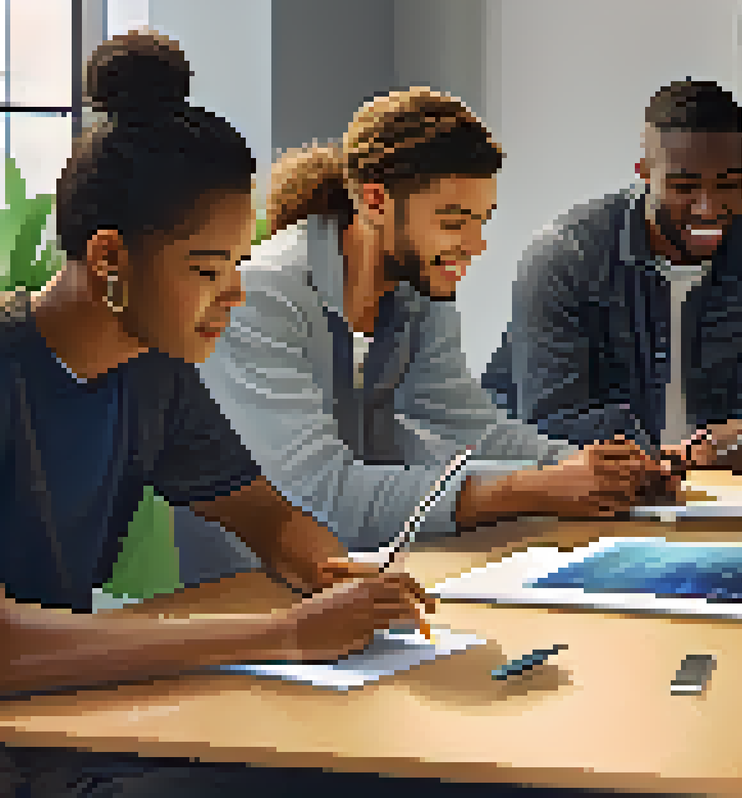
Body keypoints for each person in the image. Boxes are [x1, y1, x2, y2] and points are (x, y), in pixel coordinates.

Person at [0, 30, 431, 796]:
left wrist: (337, 580)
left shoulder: (152, 374)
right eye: (207, 269)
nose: (234, 293)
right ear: (109, 260)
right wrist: (285, 633)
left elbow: (266, 516)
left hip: (67, 719)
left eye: (238, 262)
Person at [178, 87, 671, 587]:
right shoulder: (260, 296)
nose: (475, 246)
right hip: (237, 590)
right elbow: (320, 495)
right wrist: (529, 490)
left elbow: (472, 427)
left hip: (355, 577)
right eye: (453, 222)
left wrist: (593, 469)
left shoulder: (418, 290)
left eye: (481, 222)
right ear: (375, 200)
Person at [480, 79, 742, 469]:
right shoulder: (565, 256)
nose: (708, 208)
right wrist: (670, 457)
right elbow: (552, 420)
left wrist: (734, 444)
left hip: (716, 484)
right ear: (644, 172)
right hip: (570, 479)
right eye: (684, 186)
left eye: (728, 184)